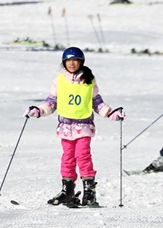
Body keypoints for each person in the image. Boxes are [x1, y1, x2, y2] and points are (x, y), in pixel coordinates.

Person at [25, 47, 125, 207]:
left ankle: (89, 192)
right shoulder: (59, 80)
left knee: (83, 156)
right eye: (69, 60)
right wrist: (38, 111)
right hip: (65, 127)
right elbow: (51, 103)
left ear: (81, 62)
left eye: (75, 60)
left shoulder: (88, 80)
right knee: (67, 158)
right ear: (64, 62)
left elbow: (97, 103)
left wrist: (111, 113)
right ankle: (67, 191)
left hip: (83, 126)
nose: (72, 63)